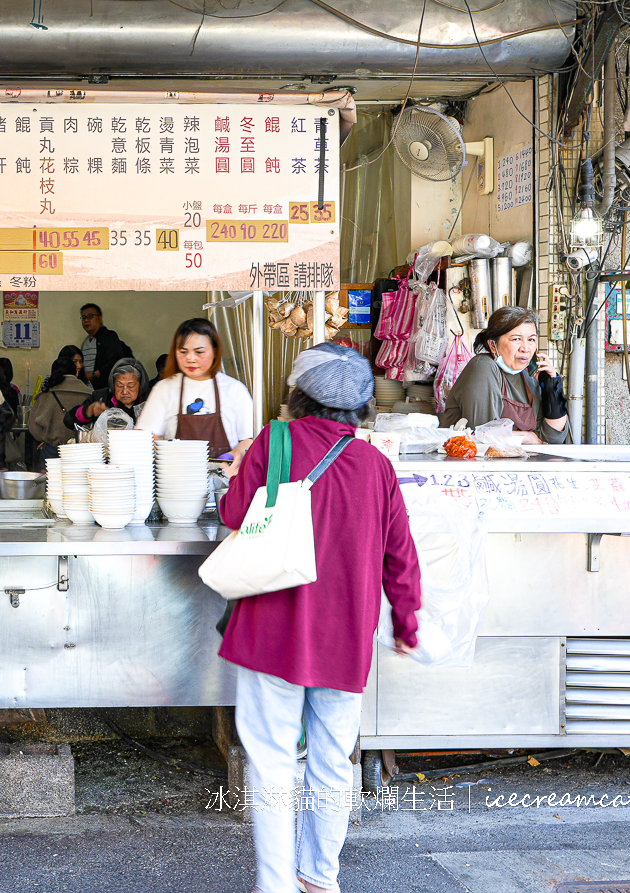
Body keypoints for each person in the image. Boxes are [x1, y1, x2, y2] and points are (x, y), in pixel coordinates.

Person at [217, 343, 422, 893]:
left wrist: (242, 472)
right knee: (334, 760)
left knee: (273, 763)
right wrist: (406, 622)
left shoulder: (273, 441)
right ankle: (320, 878)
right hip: (345, 637)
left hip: (270, 633)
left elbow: (235, 515)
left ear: (296, 395)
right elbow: (400, 554)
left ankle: (276, 885)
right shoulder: (375, 465)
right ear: (360, 408)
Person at [439, 306, 569, 445]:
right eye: (516, 339)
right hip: (473, 463)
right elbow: (484, 436)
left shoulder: (528, 376)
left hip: (514, 462)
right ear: (493, 345)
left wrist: (551, 386)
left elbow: (554, 437)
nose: (525, 348)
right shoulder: (483, 367)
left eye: (531, 340)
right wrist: (527, 437)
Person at [136, 318, 256, 462]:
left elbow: (250, 439)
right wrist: (166, 453)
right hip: (176, 477)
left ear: (215, 351)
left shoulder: (235, 390)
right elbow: (145, 435)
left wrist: (231, 455)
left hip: (225, 478)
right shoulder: (164, 389)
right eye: (183, 351)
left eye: (199, 352)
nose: (190, 358)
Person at [27, 353, 93, 461]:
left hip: (52, 450)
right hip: (83, 450)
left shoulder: (46, 395)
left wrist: (46, 438)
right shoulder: (90, 394)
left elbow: (33, 427)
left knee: (51, 477)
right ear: (76, 372)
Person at [65, 356, 150, 434]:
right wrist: (89, 411)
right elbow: (69, 420)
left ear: (140, 384)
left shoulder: (150, 400)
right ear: (113, 384)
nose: (124, 391)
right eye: (119, 386)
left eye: (130, 386)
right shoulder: (102, 397)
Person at [78, 304, 133, 390]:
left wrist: (95, 374)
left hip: (107, 390)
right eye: (83, 317)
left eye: (90, 316)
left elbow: (116, 360)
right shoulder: (85, 342)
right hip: (90, 390)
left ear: (100, 318)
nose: (86, 320)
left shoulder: (109, 337)